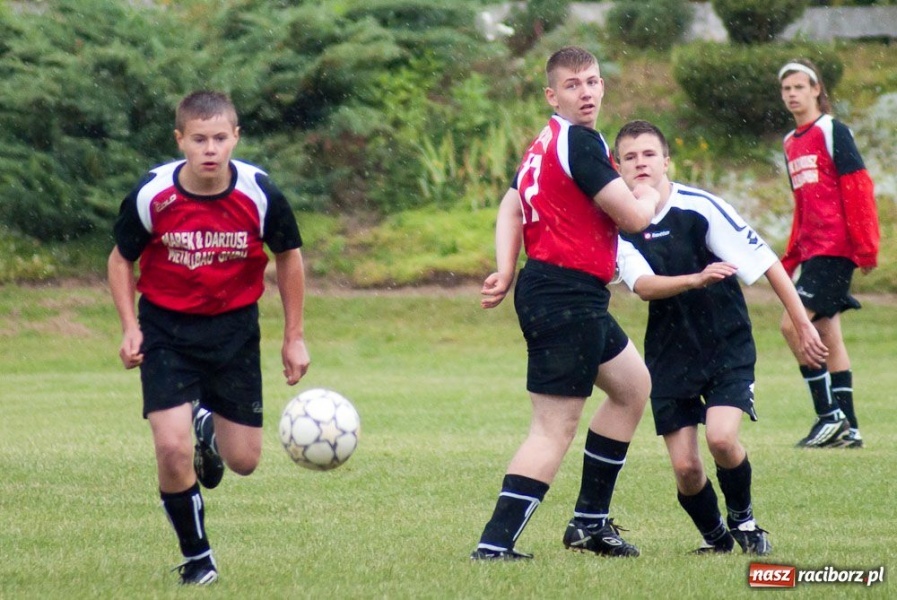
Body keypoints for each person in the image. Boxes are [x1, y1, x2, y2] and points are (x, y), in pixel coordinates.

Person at [108, 90, 310, 585]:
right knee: (171, 449)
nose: (210, 149)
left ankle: (207, 430)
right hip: (166, 331)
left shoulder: (260, 193)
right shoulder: (153, 193)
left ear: (235, 138)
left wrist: (294, 336)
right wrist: (130, 327)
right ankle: (198, 559)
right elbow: (120, 260)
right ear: (181, 140)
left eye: (220, 138)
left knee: (243, 461)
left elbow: (289, 257)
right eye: (198, 139)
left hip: (235, 332)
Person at [470, 46, 662, 561]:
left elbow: (512, 205)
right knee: (553, 429)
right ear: (552, 95)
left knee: (632, 387)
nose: (587, 92)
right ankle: (494, 544)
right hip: (564, 295)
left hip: (571, 294)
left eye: (594, 81)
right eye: (574, 85)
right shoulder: (575, 142)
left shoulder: (548, 142)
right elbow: (635, 219)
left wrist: (508, 269)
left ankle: (589, 525)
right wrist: (649, 189)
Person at [613, 120, 828, 554]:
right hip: (669, 353)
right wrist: (696, 278)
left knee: (722, 439)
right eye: (630, 157)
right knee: (687, 469)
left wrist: (802, 323)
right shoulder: (618, 226)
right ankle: (717, 541)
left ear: (666, 161)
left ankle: (745, 524)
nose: (641, 163)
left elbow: (766, 261)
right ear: (617, 167)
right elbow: (643, 286)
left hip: (725, 343)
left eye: (649, 154)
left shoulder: (700, 206)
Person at [777, 59, 880, 448]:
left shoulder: (833, 131)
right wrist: (791, 256)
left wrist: (866, 246)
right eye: (786, 89)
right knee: (827, 335)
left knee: (793, 325)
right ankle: (849, 429)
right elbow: (802, 205)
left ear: (816, 89)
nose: (792, 94)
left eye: (799, 87)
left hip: (836, 251)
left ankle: (829, 416)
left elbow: (858, 187)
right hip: (813, 252)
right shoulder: (791, 142)